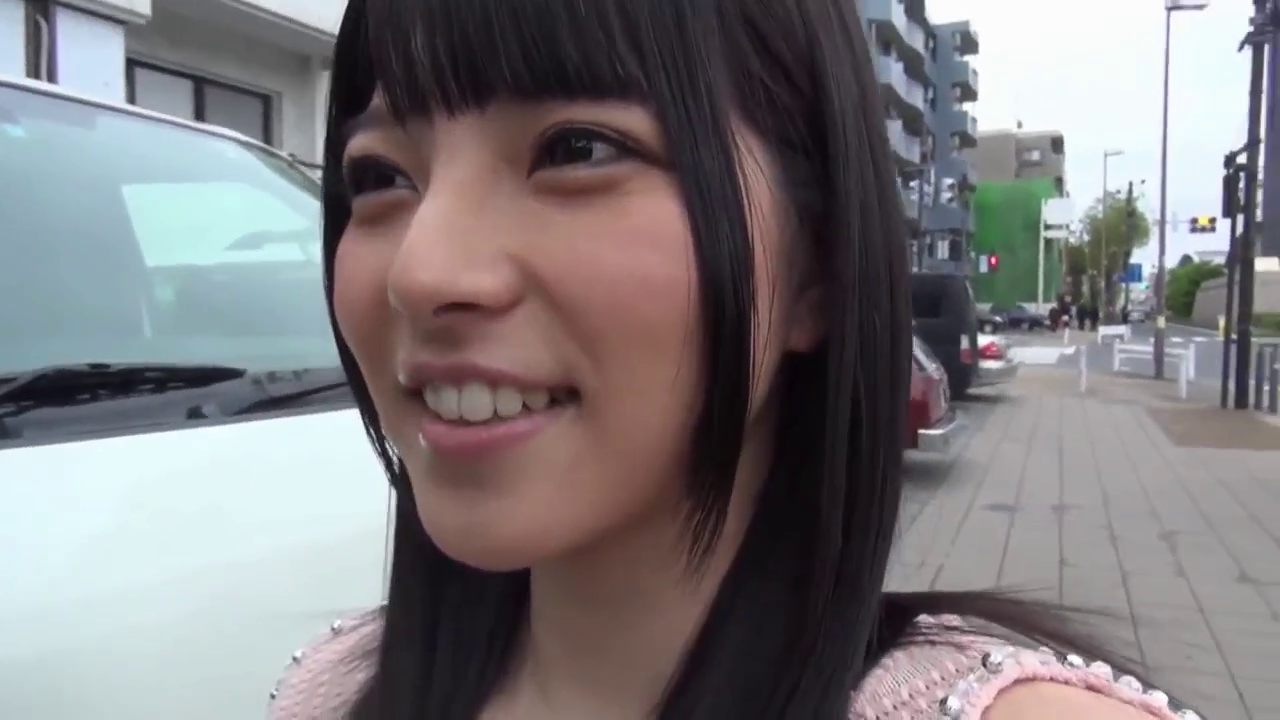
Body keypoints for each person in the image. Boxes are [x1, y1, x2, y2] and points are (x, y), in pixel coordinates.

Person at [269, 0, 1195, 717]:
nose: (422, 271)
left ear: (815, 271)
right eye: (380, 177)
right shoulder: (331, 694)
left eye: (576, 150)